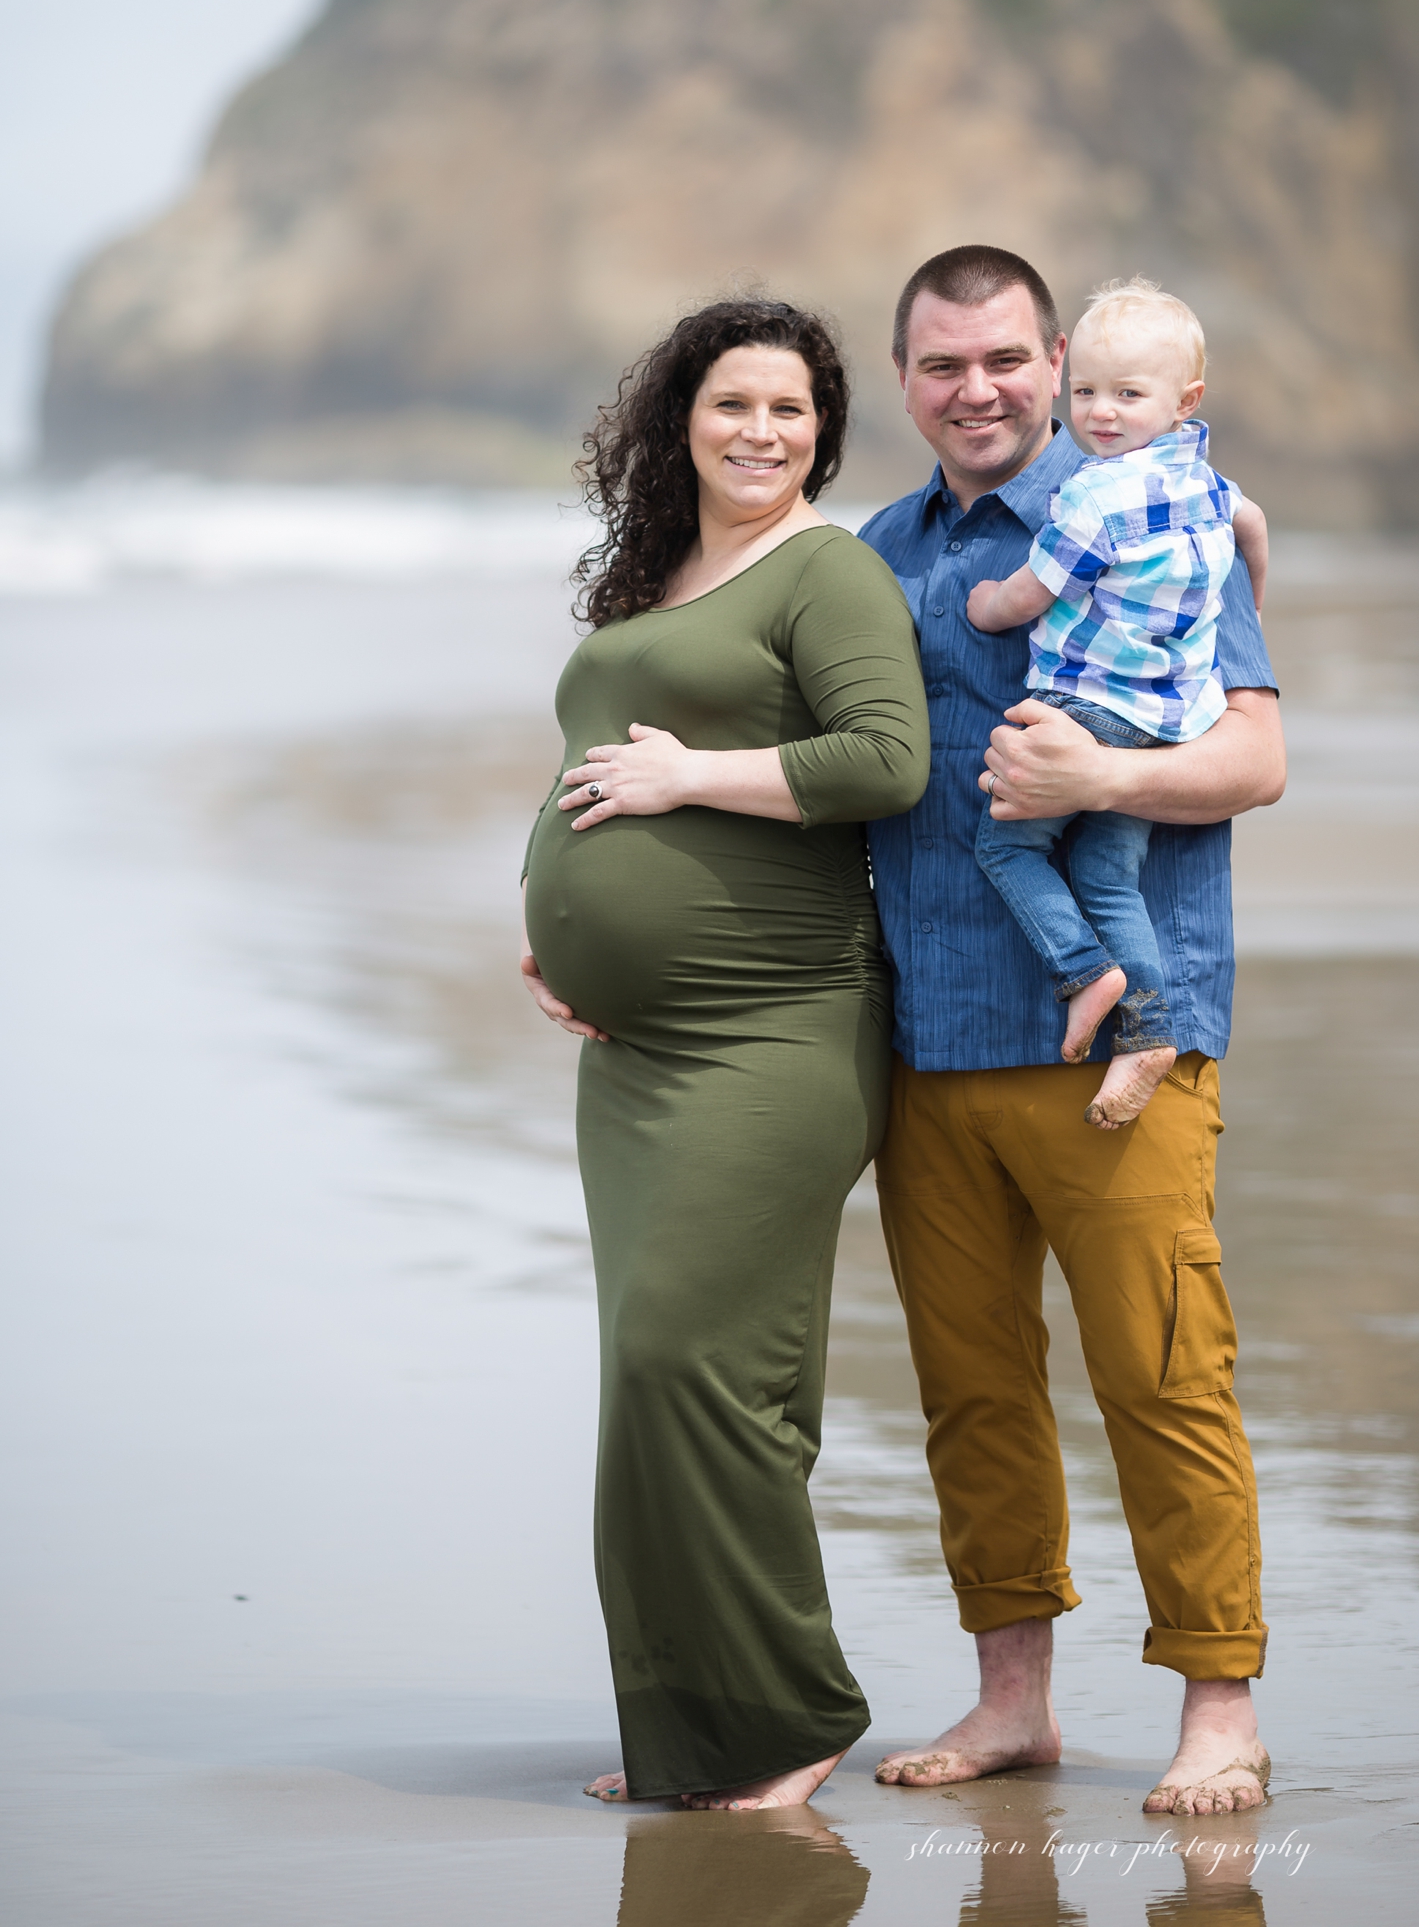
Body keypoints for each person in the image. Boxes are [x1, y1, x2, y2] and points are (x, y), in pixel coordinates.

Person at [858, 245, 1284, 1818]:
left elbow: (1255, 758)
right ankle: (1012, 1703)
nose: (976, 390)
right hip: (930, 1042)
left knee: (1163, 1375)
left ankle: (1220, 1710)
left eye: (1004, 361)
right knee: (971, 1394)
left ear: (1056, 369)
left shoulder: (1163, 512)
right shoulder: (876, 554)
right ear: (906, 380)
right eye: (942, 364)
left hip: (1124, 1043)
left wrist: (1100, 780)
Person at [518, 298, 929, 1810]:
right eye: (732, 404)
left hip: (776, 1027)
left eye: (791, 409)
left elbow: (887, 759)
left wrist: (692, 776)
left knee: (703, 1366)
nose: (762, 431)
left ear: (825, 433)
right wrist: (552, 924)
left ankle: (789, 1717)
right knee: (644, 1377)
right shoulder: (656, 578)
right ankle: (687, 1731)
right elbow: (591, 769)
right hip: (633, 1054)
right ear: (678, 421)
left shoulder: (829, 571)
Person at [966, 276, 1270, 1130]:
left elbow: (1031, 592)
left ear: (1184, 401)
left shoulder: (1092, 493)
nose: (1100, 413)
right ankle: (1147, 1031)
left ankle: (1084, 971)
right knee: (1107, 875)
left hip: (1087, 708)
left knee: (1005, 848)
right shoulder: (1209, 485)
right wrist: (1252, 594)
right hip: (1163, 726)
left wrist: (984, 606)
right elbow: (1254, 527)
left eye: (1127, 395)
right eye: (1087, 392)